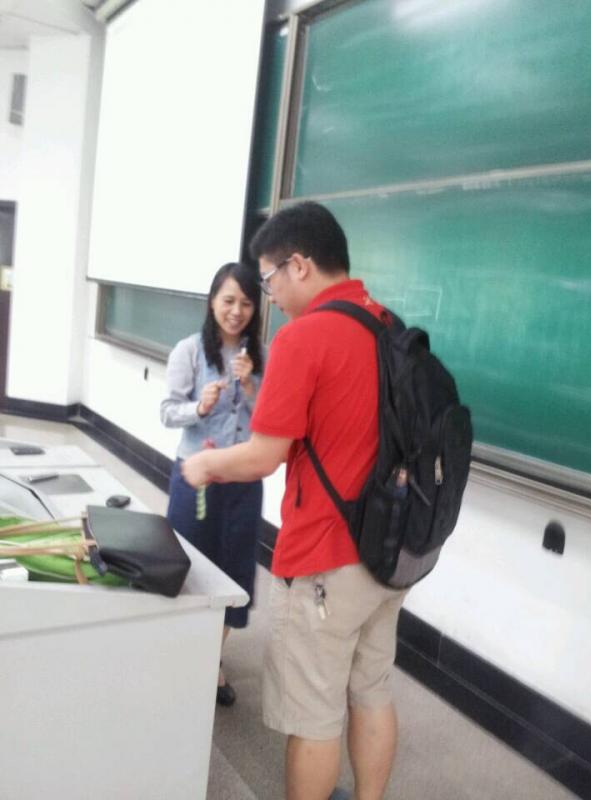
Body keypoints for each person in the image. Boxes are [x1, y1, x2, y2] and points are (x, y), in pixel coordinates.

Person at [181, 203, 408, 800]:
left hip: (326, 559)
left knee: (313, 716)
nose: (271, 297)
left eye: (268, 280)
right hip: (392, 551)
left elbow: (264, 455)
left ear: (299, 265)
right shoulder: (389, 325)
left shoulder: (303, 337)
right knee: (372, 690)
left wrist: (204, 465)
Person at [160, 261, 264, 707]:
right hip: (196, 478)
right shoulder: (188, 351)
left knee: (235, 572)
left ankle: (211, 660)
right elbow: (166, 412)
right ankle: (178, 653)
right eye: (228, 301)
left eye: (246, 303)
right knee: (186, 567)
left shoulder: (264, 357)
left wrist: (252, 386)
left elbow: (274, 422)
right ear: (212, 302)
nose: (236, 311)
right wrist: (198, 408)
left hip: (243, 481)